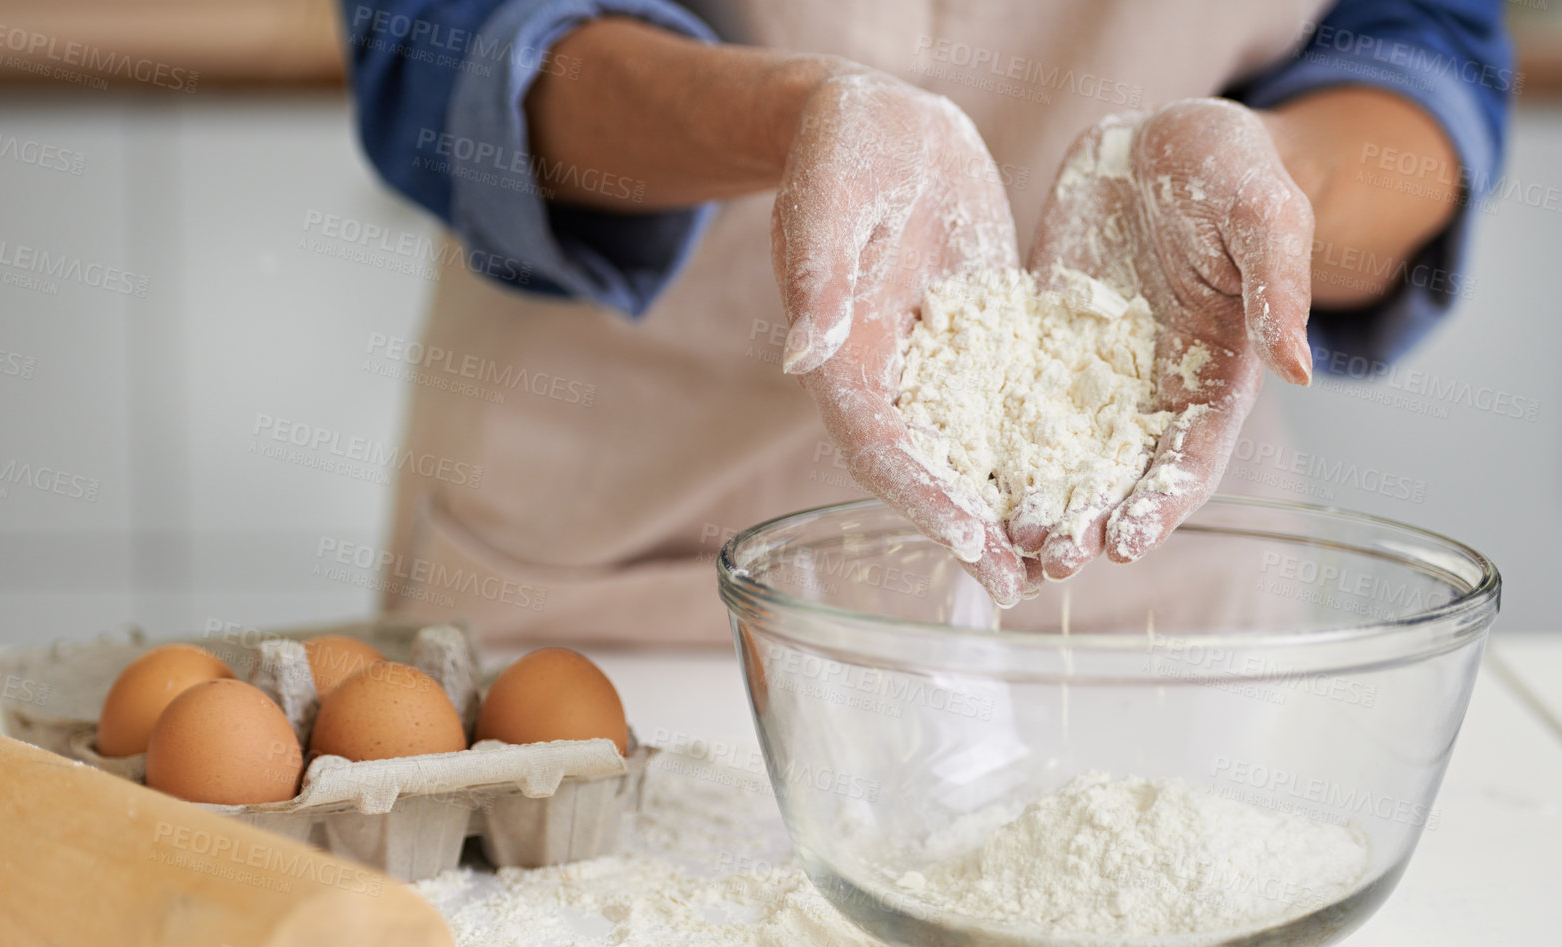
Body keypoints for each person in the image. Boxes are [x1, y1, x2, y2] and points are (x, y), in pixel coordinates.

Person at [339, 0, 1510, 643]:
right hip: (626, 568)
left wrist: (1280, 183)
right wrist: (786, 122)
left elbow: (1424, 43)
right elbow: (430, 37)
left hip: (1149, 582)